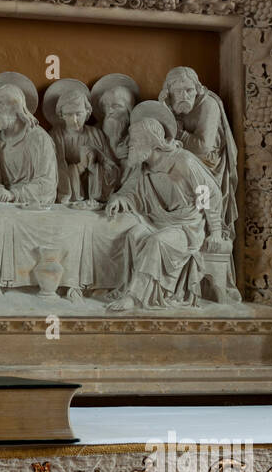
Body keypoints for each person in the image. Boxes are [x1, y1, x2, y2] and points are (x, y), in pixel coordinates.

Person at [104, 101, 224, 312]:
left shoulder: (183, 162)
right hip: (158, 221)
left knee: (156, 242)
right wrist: (118, 200)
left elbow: (209, 195)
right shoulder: (143, 166)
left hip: (186, 227)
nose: (129, 145)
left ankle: (134, 297)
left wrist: (215, 232)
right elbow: (128, 192)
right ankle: (127, 287)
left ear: (149, 141)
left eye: (133, 141)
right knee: (134, 235)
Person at [159, 66, 237, 237]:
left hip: (208, 165)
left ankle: (209, 229)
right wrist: (163, 109)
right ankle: (181, 224)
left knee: (198, 186)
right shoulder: (171, 106)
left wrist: (179, 133)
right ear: (169, 92)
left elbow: (202, 147)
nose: (185, 96)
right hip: (184, 163)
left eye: (189, 90)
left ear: (197, 89)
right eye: (178, 91)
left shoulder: (208, 105)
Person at [0, 72, 56, 205]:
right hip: (2, 204)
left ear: (15, 106)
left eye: (0, 104)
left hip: (31, 204)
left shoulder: (39, 138)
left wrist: (13, 195)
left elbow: (47, 183)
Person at [45, 78, 119, 203]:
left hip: (91, 195)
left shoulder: (96, 134)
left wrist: (95, 166)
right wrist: (79, 167)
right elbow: (52, 169)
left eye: (78, 114)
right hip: (67, 195)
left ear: (87, 112)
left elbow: (112, 169)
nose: (74, 120)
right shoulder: (55, 136)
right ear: (61, 115)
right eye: (68, 114)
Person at [92, 73, 141, 179]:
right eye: (106, 106)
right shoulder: (95, 132)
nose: (109, 111)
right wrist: (114, 152)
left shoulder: (136, 132)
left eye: (116, 106)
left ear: (128, 109)